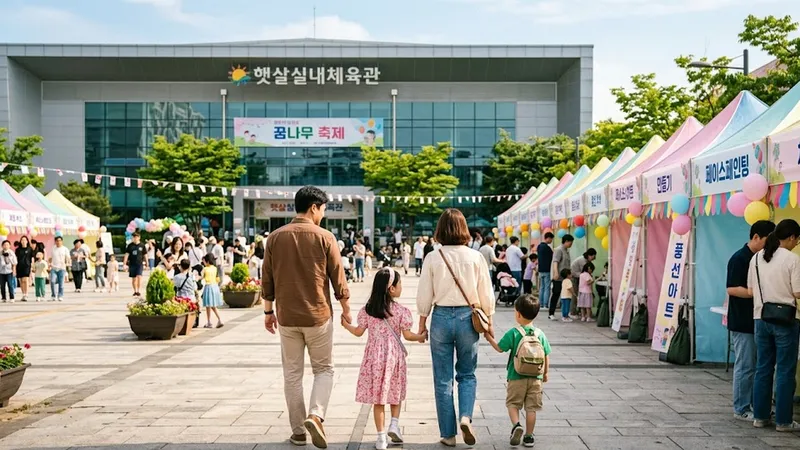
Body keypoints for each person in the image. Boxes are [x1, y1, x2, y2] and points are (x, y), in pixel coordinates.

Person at [261, 186, 351, 448]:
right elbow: (338, 278)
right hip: (318, 316)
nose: (323, 214)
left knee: (292, 375)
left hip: (287, 317)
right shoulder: (325, 237)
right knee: (324, 369)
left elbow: (267, 279)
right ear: (314, 207)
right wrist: (346, 309)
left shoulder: (275, 238)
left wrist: (268, 311)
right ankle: (316, 414)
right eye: (322, 209)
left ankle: (299, 431)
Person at [416, 208, 495, 447]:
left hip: (440, 317)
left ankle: (448, 435)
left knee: (443, 379)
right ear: (464, 229)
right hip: (468, 318)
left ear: (440, 230)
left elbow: (424, 294)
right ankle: (465, 416)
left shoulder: (432, 256)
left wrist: (422, 323)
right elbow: (486, 294)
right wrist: (489, 322)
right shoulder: (475, 257)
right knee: (467, 374)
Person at [341, 268, 427, 449]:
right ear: (392, 289)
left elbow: (358, 332)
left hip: (374, 357)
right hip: (394, 357)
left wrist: (346, 325)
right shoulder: (401, 311)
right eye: (399, 284)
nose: (401, 286)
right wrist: (421, 336)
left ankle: (381, 438)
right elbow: (408, 335)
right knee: (395, 391)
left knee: (378, 398)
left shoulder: (368, 310)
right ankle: (394, 424)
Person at [748, 219, 800, 431]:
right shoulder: (792, 259)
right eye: (797, 239)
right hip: (786, 321)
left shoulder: (757, 258)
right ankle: (784, 421)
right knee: (786, 371)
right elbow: (797, 292)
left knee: (763, 368)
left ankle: (760, 417)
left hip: (761, 319)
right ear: (790, 237)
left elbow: (751, 291)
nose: (796, 243)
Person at [484, 294, 551, 447]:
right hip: (536, 378)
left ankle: (516, 425)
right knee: (531, 408)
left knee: (513, 404)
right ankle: (528, 436)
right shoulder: (540, 334)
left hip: (516, 376)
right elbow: (546, 355)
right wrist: (545, 374)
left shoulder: (514, 333)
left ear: (518, 314)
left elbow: (500, 348)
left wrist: (489, 338)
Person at [726, 220, 775, 422]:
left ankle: (759, 406)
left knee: (759, 366)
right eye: (767, 240)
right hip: (743, 322)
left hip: (759, 320)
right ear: (756, 237)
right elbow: (731, 288)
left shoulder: (763, 258)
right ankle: (741, 408)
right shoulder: (739, 259)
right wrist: (755, 293)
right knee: (745, 366)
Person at [548, 234, 574, 320]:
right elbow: (555, 262)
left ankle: (565, 313)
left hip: (565, 278)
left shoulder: (567, 251)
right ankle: (551, 313)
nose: (571, 244)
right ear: (566, 241)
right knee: (556, 294)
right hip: (558, 277)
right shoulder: (559, 250)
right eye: (570, 242)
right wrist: (556, 273)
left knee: (565, 295)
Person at [570, 248, 597, 317]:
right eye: (593, 257)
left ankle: (580, 312)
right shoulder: (583, 261)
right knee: (575, 294)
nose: (593, 259)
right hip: (575, 277)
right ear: (590, 255)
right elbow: (585, 273)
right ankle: (573, 312)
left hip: (578, 276)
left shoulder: (584, 259)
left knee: (580, 294)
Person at [201, 254, 224, 328]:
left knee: (209, 306)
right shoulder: (215, 268)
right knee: (213, 305)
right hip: (215, 287)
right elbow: (218, 279)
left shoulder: (205, 269)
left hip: (208, 287)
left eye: (204, 261)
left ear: (207, 261)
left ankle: (211, 321)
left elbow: (201, 277)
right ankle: (216, 320)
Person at [123, 232, 147, 297]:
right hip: (132, 264)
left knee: (139, 277)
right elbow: (127, 254)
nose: (135, 238)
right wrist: (124, 263)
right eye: (133, 237)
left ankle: (138, 290)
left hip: (139, 264)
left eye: (136, 237)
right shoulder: (130, 246)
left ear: (139, 237)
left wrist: (147, 263)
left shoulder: (142, 245)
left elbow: (145, 254)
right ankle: (135, 291)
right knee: (134, 279)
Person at [49, 236, 70, 302]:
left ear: (62, 241)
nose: (58, 242)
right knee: (52, 281)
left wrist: (67, 264)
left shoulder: (65, 249)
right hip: (54, 268)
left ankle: (60, 295)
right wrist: (49, 264)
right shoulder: (53, 248)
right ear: (55, 242)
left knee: (61, 283)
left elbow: (68, 258)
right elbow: (51, 258)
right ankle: (53, 295)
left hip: (62, 268)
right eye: (57, 241)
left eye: (60, 240)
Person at [537, 233, 554, 309]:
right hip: (547, 270)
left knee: (542, 287)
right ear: (548, 238)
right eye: (551, 239)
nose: (551, 240)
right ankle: (545, 304)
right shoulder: (547, 248)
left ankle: (540, 303)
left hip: (540, 269)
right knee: (547, 287)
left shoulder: (539, 247)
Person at [14, 236, 33, 301]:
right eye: (22, 240)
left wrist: (32, 266)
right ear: (20, 241)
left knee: (25, 280)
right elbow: (15, 258)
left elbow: (32, 258)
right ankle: (23, 294)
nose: (23, 241)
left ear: (27, 241)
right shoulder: (17, 250)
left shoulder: (30, 249)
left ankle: (26, 294)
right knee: (21, 281)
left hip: (27, 266)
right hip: (19, 266)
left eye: (25, 240)